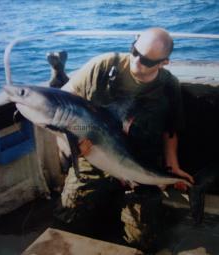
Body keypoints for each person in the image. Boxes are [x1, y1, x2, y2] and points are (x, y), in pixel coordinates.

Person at [54, 27, 194, 251]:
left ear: (164, 62)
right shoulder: (103, 66)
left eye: (147, 60)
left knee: (142, 241)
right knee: (67, 219)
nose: (136, 60)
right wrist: (74, 138)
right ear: (134, 42)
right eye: (134, 51)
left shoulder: (169, 86)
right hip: (93, 160)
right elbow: (63, 101)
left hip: (138, 165)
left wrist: (172, 166)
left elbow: (170, 130)